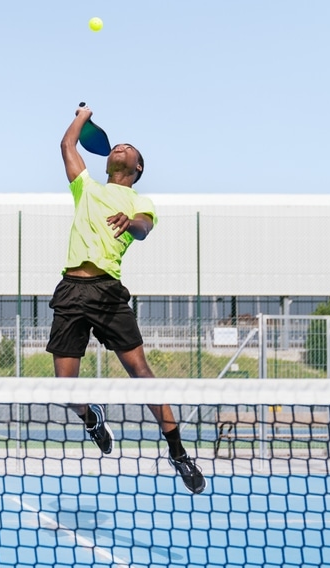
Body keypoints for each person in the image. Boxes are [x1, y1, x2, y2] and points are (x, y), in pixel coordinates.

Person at [46, 105, 206, 494]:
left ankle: (179, 453)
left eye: (127, 148)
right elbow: (67, 142)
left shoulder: (140, 202)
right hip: (71, 291)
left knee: (142, 373)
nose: (119, 148)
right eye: (115, 146)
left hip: (108, 292)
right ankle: (91, 419)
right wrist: (83, 114)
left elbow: (145, 229)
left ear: (138, 167)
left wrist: (128, 221)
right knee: (65, 389)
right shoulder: (86, 187)